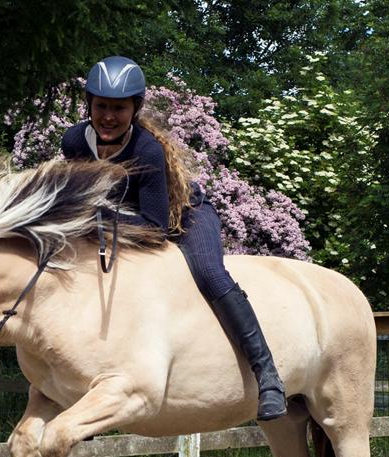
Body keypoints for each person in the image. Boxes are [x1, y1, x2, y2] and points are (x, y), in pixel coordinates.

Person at [61, 56, 287, 421]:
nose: (107, 116)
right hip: (122, 225)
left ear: (135, 108)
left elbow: (155, 227)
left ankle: (268, 376)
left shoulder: (146, 150)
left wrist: (100, 217)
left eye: (118, 108)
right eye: (101, 106)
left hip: (183, 218)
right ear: (89, 104)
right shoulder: (74, 140)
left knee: (209, 273)